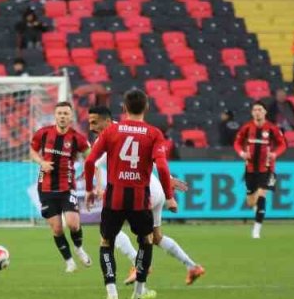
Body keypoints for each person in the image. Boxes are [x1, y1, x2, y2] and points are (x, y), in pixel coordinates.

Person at [86, 106, 205, 287]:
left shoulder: (111, 134)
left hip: (140, 192)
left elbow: (93, 164)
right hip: (155, 189)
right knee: (156, 237)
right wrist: (169, 179)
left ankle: (137, 265)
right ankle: (192, 266)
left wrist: (98, 187)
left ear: (107, 121)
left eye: (95, 123)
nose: (92, 128)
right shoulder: (134, 130)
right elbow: (154, 158)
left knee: (111, 231)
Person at [83, 89, 176, 299]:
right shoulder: (154, 133)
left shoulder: (111, 131)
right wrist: (170, 197)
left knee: (106, 242)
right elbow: (162, 167)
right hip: (139, 199)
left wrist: (88, 189)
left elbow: (89, 162)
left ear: (124, 108)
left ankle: (112, 293)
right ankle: (139, 292)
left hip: (114, 198)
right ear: (147, 107)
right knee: (146, 240)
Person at [30, 101, 91, 273]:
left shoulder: (77, 138)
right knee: (57, 228)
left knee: (73, 224)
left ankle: (79, 248)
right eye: (60, 113)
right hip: (45, 187)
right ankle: (69, 262)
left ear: (71, 117)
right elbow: (33, 151)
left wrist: (88, 170)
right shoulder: (43, 133)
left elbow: (90, 157)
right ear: (55, 116)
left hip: (67, 186)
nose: (62, 116)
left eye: (66, 113)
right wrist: (41, 162)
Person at [234, 102, 286, 239]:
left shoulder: (272, 129)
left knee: (262, 194)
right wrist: (242, 153)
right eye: (255, 110)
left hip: (267, 168)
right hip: (250, 169)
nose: (257, 112)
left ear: (265, 112)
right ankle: (256, 207)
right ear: (252, 112)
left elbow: (282, 144)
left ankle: (256, 230)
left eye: (260, 109)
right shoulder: (247, 128)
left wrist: (275, 154)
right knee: (251, 202)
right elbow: (237, 143)